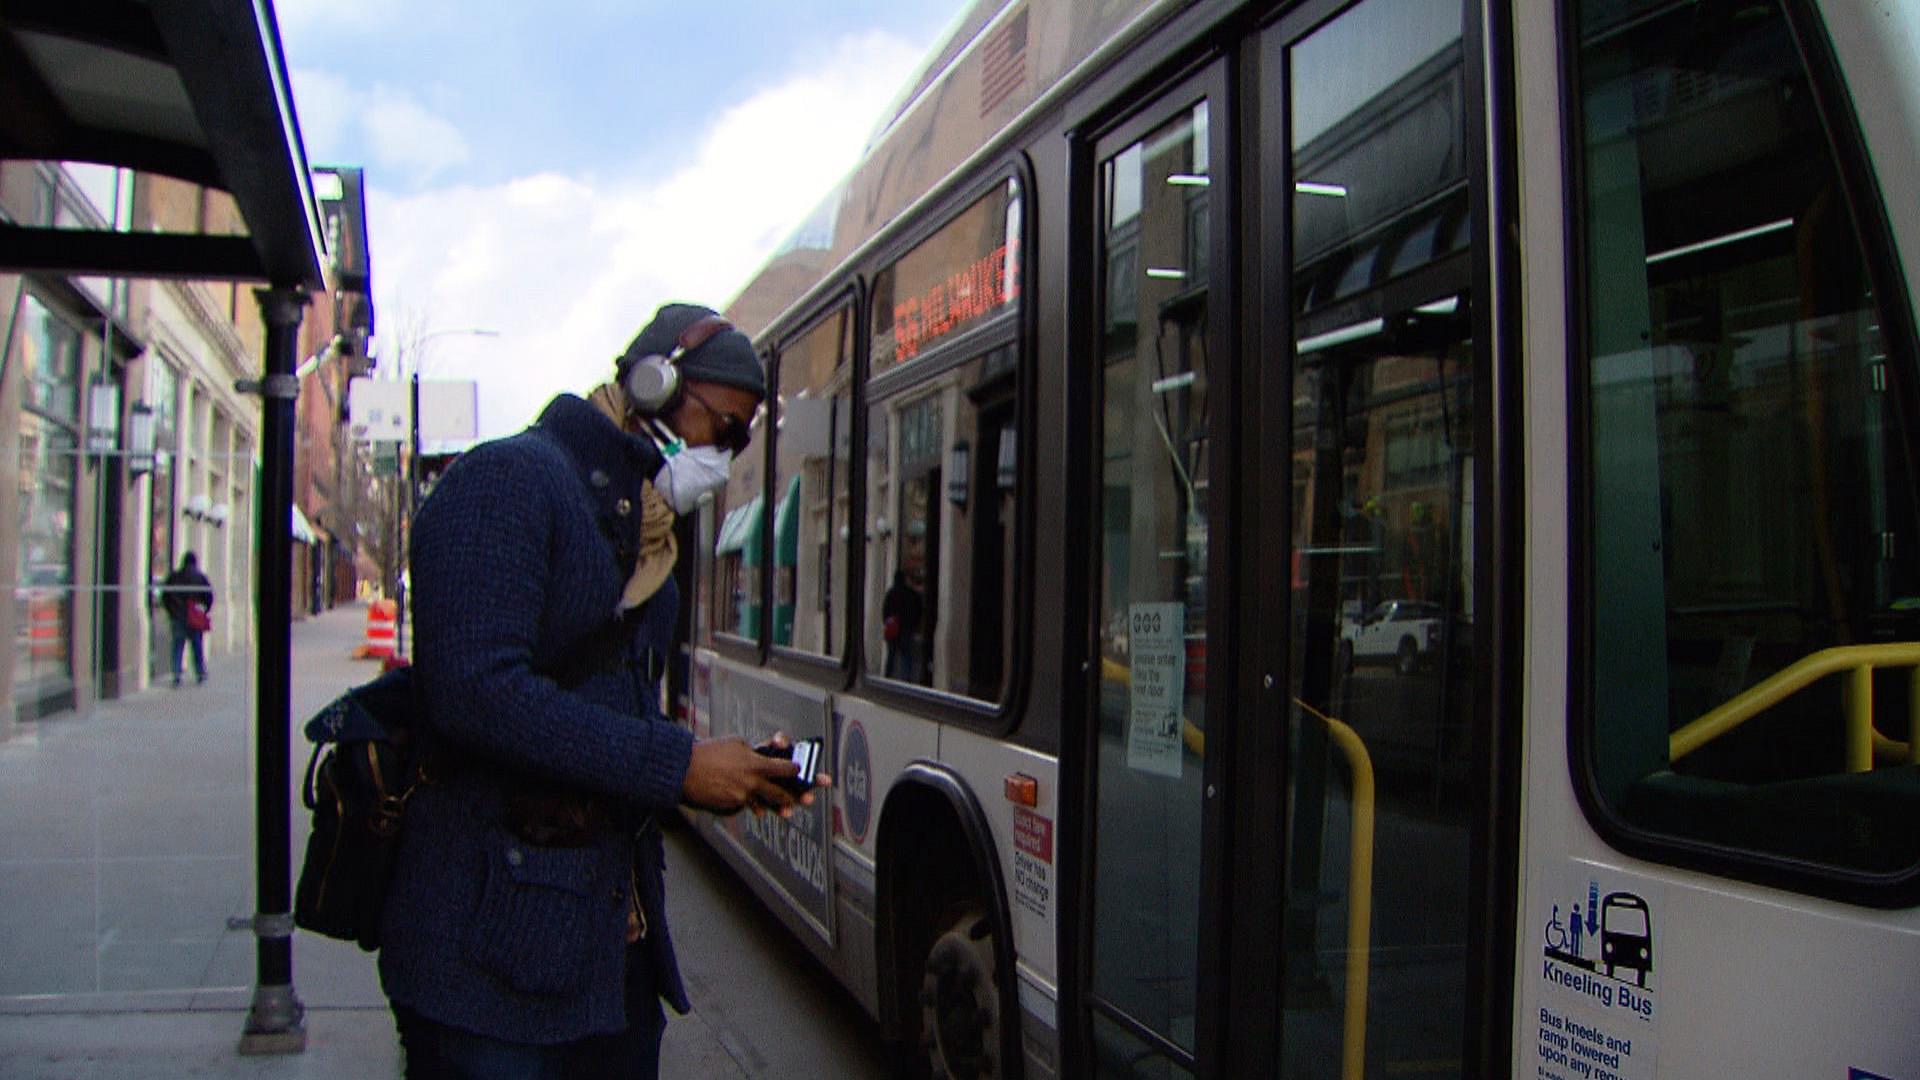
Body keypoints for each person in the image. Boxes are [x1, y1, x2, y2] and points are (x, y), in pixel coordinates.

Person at [377, 303, 826, 1079]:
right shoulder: (507, 482)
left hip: (607, 963)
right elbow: (475, 691)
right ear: (655, 388)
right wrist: (676, 764)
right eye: (724, 427)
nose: (726, 454)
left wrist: (731, 772)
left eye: (742, 438)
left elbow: (607, 716)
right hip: (489, 972)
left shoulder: (645, 530)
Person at [161, 552, 213, 687]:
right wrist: (204, 610)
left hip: (178, 617)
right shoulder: (200, 577)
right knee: (197, 647)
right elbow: (209, 596)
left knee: (178, 646)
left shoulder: (174, 577)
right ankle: (200, 673)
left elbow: (165, 596)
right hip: (194, 617)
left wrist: (171, 612)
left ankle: (176, 675)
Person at [882, 569, 924, 682]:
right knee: (906, 656)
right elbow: (918, 609)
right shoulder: (911, 594)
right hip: (907, 629)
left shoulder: (891, 593)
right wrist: (915, 625)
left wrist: (888, 622)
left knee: (891, 655)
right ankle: (906, 678)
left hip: (894, 629)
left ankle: (887, 676)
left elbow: (885, 612)